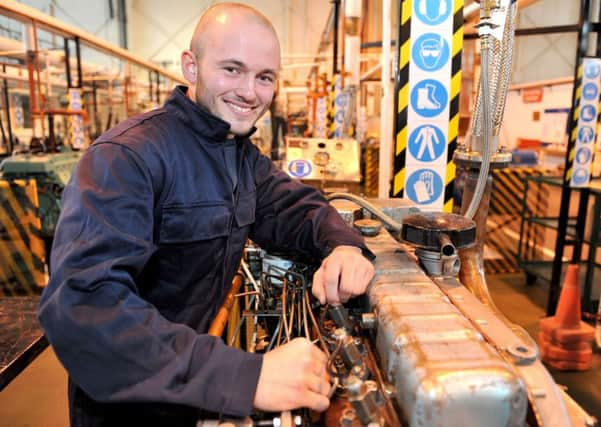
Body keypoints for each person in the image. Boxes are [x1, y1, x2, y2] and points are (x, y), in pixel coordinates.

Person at [38, 3, 375, 426]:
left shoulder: (237, 155)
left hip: (189, 393)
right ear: (191, 68)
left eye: (264, 77)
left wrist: (343, 244)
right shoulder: (127, 157)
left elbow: (292, 205)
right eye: (232, 69)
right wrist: (243, 377)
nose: (250, 92)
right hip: (125, 407)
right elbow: (84, 307)